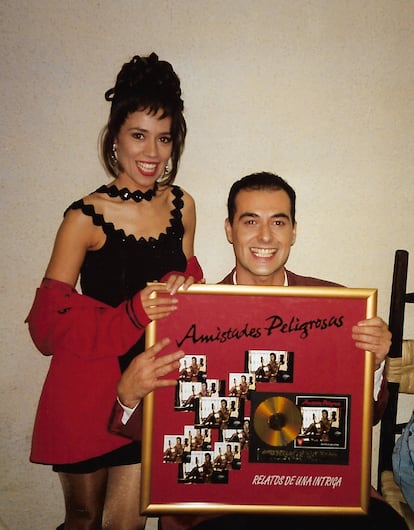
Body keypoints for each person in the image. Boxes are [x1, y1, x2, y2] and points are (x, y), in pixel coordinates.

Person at [112, 172, 408, 530]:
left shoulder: (338, 306)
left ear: (293, 231)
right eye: (250, 221)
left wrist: (374, 363)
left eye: (278, 222)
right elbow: (172, 427)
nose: (265, 236)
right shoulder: (185, 310)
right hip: (219, 505)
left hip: (313, 491)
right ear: (229, 229)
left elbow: (368, 416)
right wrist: (128, 398)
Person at [25, 52, 203, 530]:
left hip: (146, 388)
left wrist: (186, 288)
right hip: (84, 386)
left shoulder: (183, 207)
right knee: (83, 519)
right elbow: (45, 327)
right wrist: (130, 314)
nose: (152, 151)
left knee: (127, 523)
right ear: (115, 138)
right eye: (139, 135)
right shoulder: (83, 217)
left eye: (164, 138)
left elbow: (188, 295)